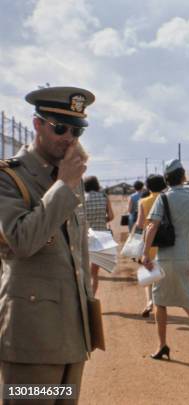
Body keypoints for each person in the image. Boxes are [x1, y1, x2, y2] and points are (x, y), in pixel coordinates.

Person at [0, 86, 95, 401]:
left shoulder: (69, 176)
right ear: (38, 123)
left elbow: (77, 253)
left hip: (72, 335)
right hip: (32, 340)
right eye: (60, 127)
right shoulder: (10, 178)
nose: (69, 137)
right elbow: (22, 241)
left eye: (77, 130)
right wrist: (65, 183)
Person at [141, 159, 189, 360]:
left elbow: (151, 226)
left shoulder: (163, 199)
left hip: (167, 258)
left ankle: (162, 345)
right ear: (183, 176)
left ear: (167, 179)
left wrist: (145, 254)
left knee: (160, 302)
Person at [135, 174, 166, 318]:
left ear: (147, 187)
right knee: (165, 275)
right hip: (167, 243)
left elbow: (140, 224)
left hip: (150, 242)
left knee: (149, 274)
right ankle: (162, 302)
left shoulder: (143, 201)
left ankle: (149, 302)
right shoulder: (167, 199)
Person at [84, 175, 114, 296]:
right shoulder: (104, 197)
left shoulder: (81, 198)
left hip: (85, 237)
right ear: (96, 185)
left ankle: (84, 298)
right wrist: (102, 220)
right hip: (101, 237)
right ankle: (92, 298)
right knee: (94, 273)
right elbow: (111, 216)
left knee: (83, 271)